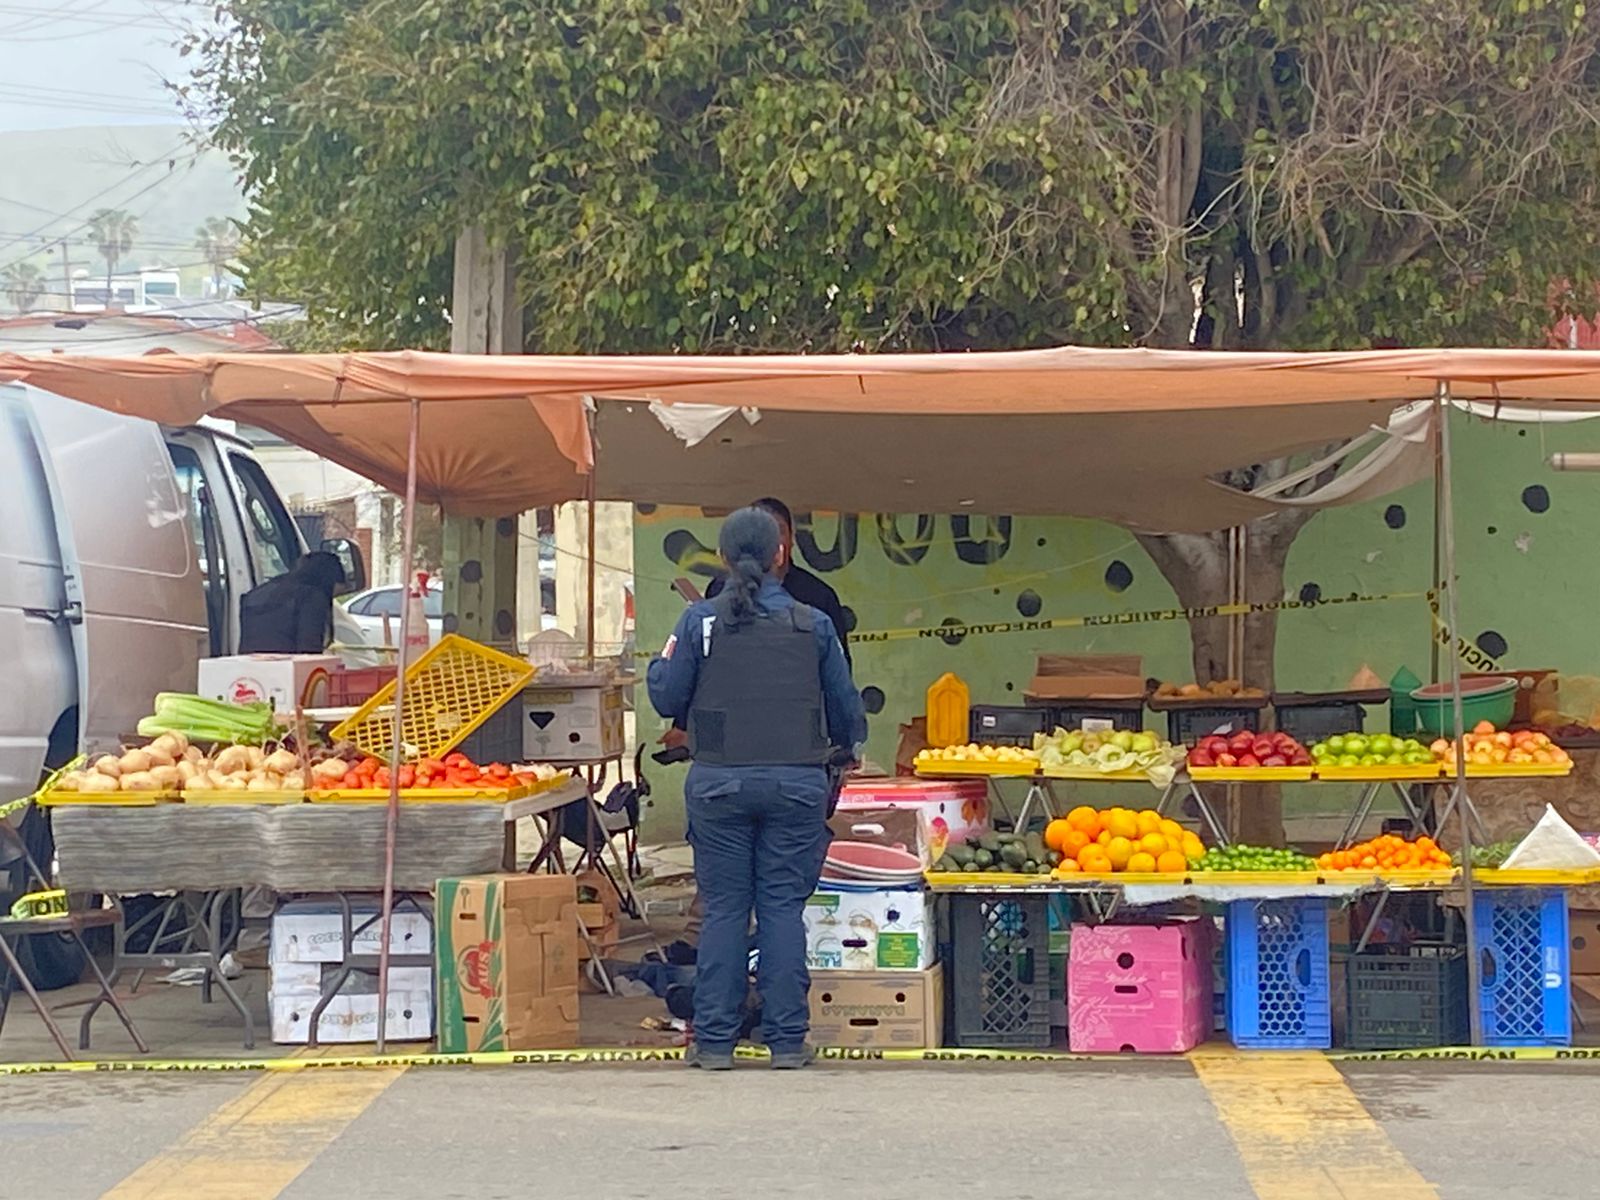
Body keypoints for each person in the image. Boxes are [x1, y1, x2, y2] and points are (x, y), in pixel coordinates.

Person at [648, 506, 866, 1071]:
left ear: (722, 557)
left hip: (719, 785)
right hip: (795, 786)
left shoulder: (697, 623)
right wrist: (843, 748)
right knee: (780, 911)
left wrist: (657, 669)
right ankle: (787, 1041)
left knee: (724, 911)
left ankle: (715, 1043)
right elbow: (847, 713)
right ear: (780, 555)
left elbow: (668, 699)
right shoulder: (812, 624)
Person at [238, 550, 346, 654]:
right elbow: (309, 647)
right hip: (288, 666)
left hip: (250, 665)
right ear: (328, 581)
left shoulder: (257, 593)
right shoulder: (311, 597)